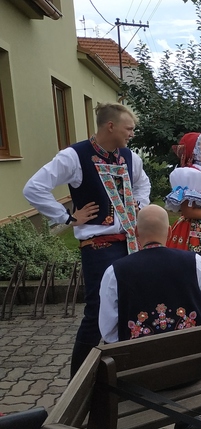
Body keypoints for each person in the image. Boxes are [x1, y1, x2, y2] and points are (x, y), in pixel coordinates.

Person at [23, 102, 151, 377]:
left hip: (131, 243)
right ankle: (79, 382)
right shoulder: (74, 156)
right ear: (111, 126)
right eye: (129, 128)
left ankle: (126, 372)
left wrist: (139, 205)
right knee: (98, 310)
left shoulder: (129, 157)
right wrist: (67, 217)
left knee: (131, 306)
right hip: (99, 247)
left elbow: (143, 183)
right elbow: (34, 188)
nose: (132, 134)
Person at [98, 204, 201, 429]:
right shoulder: (194, 262)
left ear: (135, 232)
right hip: (191, 369)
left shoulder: (115, 271)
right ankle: (186, 421)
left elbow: (108, 331)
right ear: (169, 231)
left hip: (142, 375)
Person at [165, 133, 201, 276]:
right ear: (195, 151)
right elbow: (188, 212)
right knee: (198, 274)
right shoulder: (191, 174)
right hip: (197, 230)